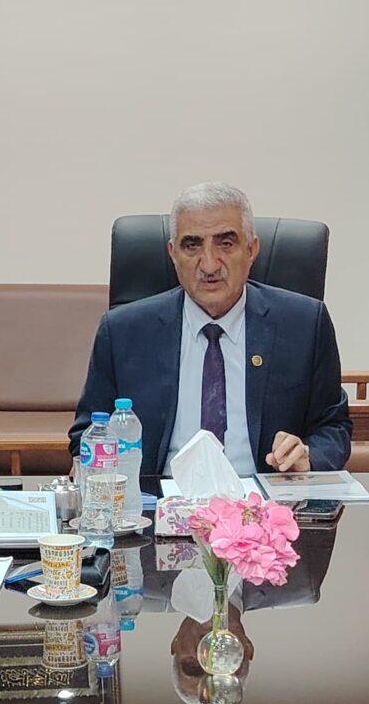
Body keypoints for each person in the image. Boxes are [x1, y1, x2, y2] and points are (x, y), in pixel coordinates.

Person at [71, 182, 350, 486]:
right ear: (172, 254)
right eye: (192, 245)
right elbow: (87, 433)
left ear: (252, 249)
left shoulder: (304, 324)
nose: (209, 264)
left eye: (225, 243)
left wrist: (308, 455)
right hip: (158, 502)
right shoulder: (124, 331)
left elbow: (332, 427)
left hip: (264, 502)